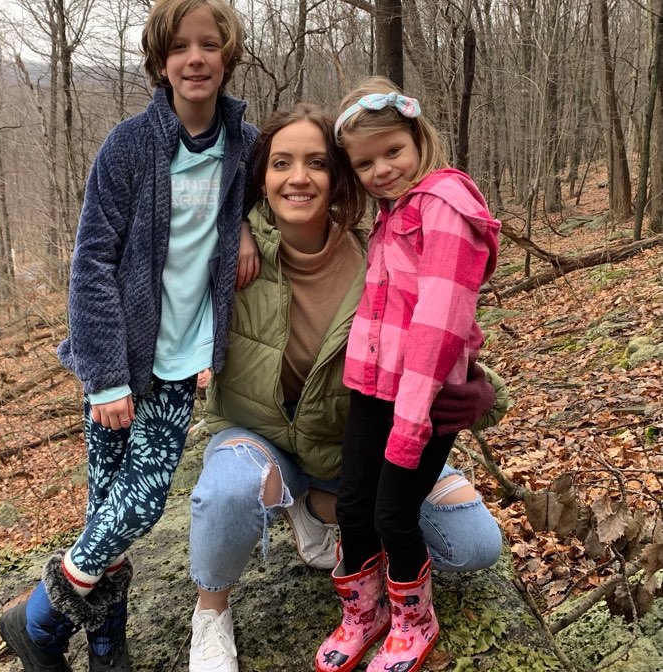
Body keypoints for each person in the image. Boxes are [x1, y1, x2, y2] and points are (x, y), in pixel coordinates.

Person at [187, 103, 507, 672]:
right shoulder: (229, 256)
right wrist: (236, 224)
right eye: (281, 163)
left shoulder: (375, 248)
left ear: (338, 177)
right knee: (231, 489)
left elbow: (439, 324)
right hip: (265, 439)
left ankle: (329, 518)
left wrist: (486, 391)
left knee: (473, 545)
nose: (299, 177)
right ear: (261, 176)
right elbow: (164, 254)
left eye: (316, 163)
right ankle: (211, 613)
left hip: (361, 437)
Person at [0, 0, 259, 672]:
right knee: (109, 505)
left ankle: (40, 619)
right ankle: (103, 639)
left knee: (136, 503)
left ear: (228, 55)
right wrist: (106, 377)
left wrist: (245, 229)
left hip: (181, 360)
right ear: (160, 61)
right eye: (180, 47)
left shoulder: (244, 144)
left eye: (209, 44)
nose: (195, 58)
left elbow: (276, 193)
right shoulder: (130, 147)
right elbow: (90, 264)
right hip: (115, 359)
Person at [315, 77, 502, 672]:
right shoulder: (391, 213)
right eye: (365, 163)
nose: (381, 170)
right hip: (373, 387)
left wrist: (413, 418)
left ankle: (414, 620)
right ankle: (362, 612)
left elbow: (441, 321)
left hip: (424, 398)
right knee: (354, 507)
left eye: (392, 151)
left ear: (418, 138)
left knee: (393, 513)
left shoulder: (444, 205)